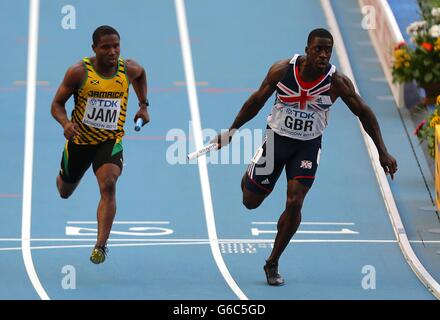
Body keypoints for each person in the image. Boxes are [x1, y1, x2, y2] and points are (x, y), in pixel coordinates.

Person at [214, 28, 398, 286]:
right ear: (307, 49)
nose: (324, 55)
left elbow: (364, 113)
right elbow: (256, 101)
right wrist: (231, 131)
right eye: (318, 49)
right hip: (276, 141)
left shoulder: (337, 83)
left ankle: (272, 261)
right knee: (250, 201)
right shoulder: (282, 71)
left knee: (295, 201)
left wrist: (383, 151)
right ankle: (251, 175)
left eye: (328, 50)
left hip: (307, 147)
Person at [51, 25, 150, 264]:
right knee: (65, 191)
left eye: (116, 46)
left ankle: (100, 246)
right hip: (80, 141)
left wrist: (143, 105)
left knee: (108, 184)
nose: (113, 51)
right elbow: (56, 105)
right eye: (106, 47)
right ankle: (66, 175)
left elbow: (141, 74)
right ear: (94, 48)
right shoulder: (78, 72)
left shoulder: (128, 69)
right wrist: (65, 124)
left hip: (110, 140)